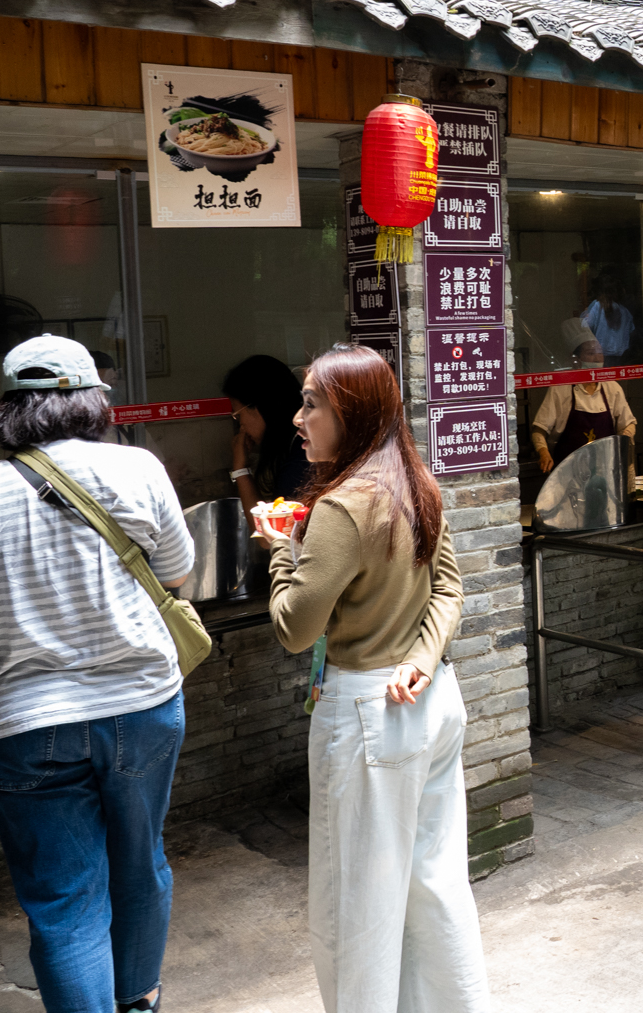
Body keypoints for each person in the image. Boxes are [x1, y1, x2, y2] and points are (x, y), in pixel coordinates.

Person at [0, 336, 194, 1013]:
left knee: (66, 902)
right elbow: (179, 577)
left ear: (13, 408)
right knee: (140, 863)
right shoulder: (140, 469)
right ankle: (139, 1002)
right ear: (93, 399)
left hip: (27, 725)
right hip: (141, 706)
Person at [257, 345, 490, 1013]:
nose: (298, 419)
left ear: (352, 413)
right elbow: (449, 589)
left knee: (357, 906)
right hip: (432, 699)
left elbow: (295, 629)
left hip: (367, 714)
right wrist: (422, 657)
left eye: (312, 404)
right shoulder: (417, 482)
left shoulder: (341, 508)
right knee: (436, 886)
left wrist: (279, 552)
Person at [529, 321, 636, 473]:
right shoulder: (561, 389)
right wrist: (543, 452)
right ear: (576, 359)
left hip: (605, 471)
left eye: (599, 352)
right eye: (590, 353)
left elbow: (628, 424)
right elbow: (539, 429)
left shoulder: (612, 387)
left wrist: (623, 441)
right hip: (568, 474)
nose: (597, 358)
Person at [225, 354, 313, 510]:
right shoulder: (292, 448)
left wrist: (240, 470)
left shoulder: (300, 461)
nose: (241, 426)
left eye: (238, 415)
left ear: (261, 407)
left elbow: (268, 532)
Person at [580, 279, 637, 365]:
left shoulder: (597, 306)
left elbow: (586, 327)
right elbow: (631, 330)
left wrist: (585, 314)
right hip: (619, 354)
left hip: (600, 354)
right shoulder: (624, 310)